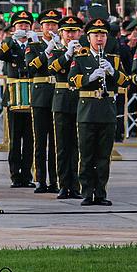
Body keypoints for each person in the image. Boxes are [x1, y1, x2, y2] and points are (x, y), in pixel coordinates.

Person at [70, 19, 129, 205]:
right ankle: (87, 192)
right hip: (87, 111)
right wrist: (90, 77)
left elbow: (125, 82)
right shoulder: (80, 58)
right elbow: (72, 81)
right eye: (96, 35)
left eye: (103, 35)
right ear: (88, 38)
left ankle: (101, 192)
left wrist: (112, 72)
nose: (100, 38)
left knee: (104, 156)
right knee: (86, 155)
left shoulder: (113, 59)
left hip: (106, 111)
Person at [0, 9, 35, 188]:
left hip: (31, 96)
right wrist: (11, 39)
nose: (24, 28)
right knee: (15, 138)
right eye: (20, 26)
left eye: (26, 25)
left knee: (29, 138)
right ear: (14, 28)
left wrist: (34, 42)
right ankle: (15, 174)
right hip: (14, 96)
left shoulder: (34, 44)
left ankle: (27, 174)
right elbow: (0, 55)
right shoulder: (9, 44)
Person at [25, 9, 63, 192]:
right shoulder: (34, 46)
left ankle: (55, 180)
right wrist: (46, 51)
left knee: (56, 141)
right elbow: (31, 68)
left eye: (54, 25)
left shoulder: (63, 46)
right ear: (41, 27)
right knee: (40, 140)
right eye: (48, 25)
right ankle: (40, 179)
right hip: (40, 96)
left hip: (58, 95)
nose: (51, 28)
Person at [49, 14, 85, 199]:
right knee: (62, 145)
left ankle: (76, 185)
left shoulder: (85, 50)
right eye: (68, 31)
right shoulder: (55, 50)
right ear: (61, 32)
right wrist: (67, 54)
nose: (71, 35)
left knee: (77, 146)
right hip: (62, 101)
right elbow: (52, 68)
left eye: (74, 31)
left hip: (80, 100)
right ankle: (63, 184)